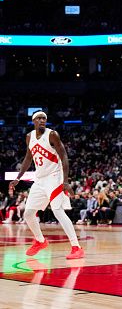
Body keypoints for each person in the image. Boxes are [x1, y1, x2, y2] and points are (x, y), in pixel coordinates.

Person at [9, 111, 84, 259]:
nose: (42, 120)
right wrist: (18, 178)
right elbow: (28, 159)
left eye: (44, 118)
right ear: (33, 121)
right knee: (28, 213)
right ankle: (40, 241)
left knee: (57, 211)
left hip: (54, 177)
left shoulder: (52, 134)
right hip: (40, 179)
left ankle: (76, 247)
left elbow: (64, 156)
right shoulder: (29, 137)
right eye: (39, 118)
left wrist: (66, 181)